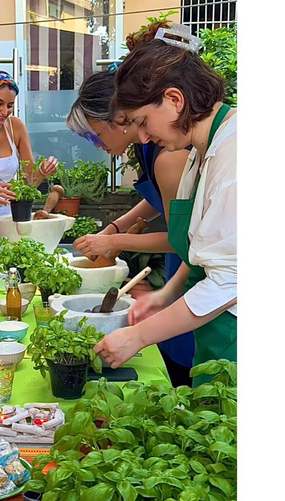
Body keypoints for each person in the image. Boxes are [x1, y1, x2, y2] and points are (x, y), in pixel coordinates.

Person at [93, 23, 237, 387]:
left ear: (174, 100)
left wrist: (138, 336)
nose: (142, 137)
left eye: (143, 122)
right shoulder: (199, 154)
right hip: (215, 338)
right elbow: (207, 250)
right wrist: (166, 295)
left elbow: (229, 279)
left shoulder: (235, 156)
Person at [65, 63, 196, 387]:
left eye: (95, 133)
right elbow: (161, 199)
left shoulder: (168, 153)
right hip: (183, 267)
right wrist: (116, 228)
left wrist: (115, 243)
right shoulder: (148, 145)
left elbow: (184, 239)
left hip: (195, 272)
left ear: (119, 117)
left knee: (188, 366)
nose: (96, 143)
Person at [0, 70, 59, 244]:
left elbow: (29, 181)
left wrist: (44, 170)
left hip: (10, 217)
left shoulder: (16, 127)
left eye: (9, 105)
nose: (4, 111)